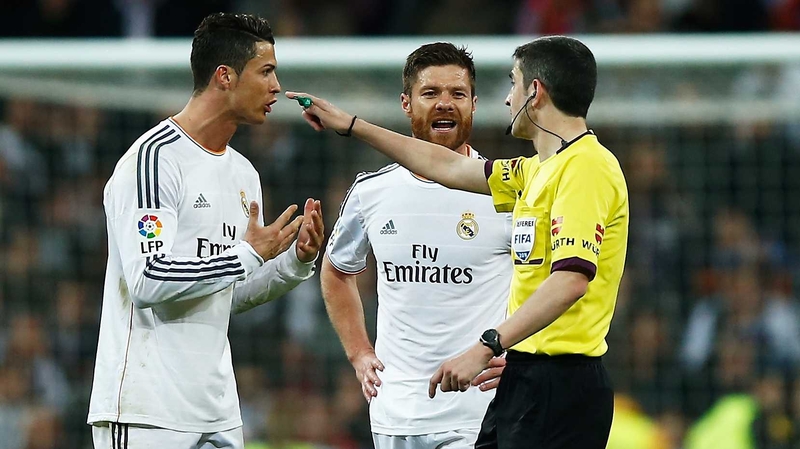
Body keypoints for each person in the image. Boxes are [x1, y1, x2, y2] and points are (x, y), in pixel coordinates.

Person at [288, 35, 628, 449]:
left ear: (534, 93)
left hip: (558, 380)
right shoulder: (534, 173)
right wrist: (353, 126)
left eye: (513, 83)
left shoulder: (585, 168)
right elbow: (444, 165)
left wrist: (489, 344)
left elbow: (571, 279)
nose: (508, 99)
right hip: (520, 380)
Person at [87, 13, 325, 449]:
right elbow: (149, 279)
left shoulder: (243, 174)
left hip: (216, 411)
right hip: (147, 412)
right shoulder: (154, 161)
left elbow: (226, 292)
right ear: (224, 76)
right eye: (267, 71)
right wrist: (249, 254)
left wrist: (295, 262)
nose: (276, 86)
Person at [321, 42, 512, 449]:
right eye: (431, 94)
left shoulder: (508, 194)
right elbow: (338, 271)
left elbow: (552, 286)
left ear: (475, 104)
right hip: (392, 413)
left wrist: (519, 354)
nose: (445, 104)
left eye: (457, 94)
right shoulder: (372, 192)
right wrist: (358, 353)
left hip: (475, 415)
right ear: (406, 104)